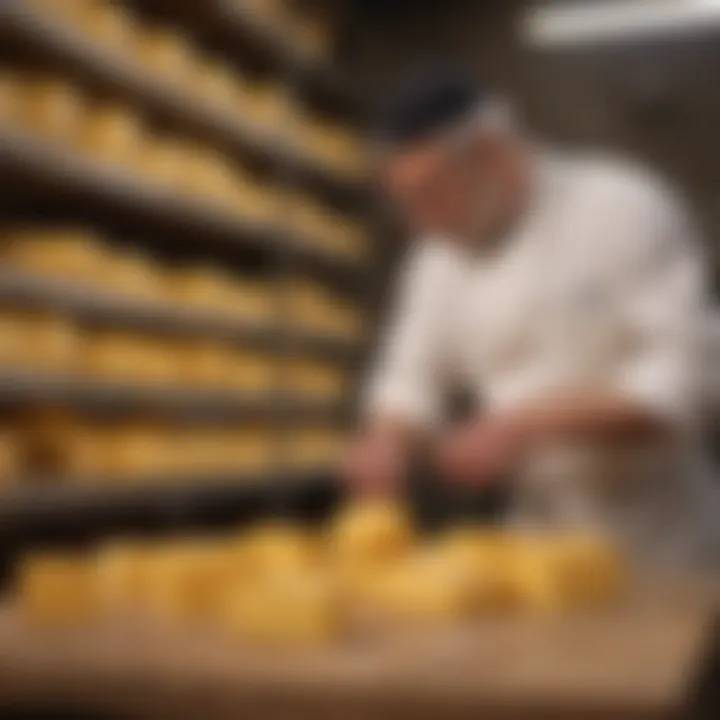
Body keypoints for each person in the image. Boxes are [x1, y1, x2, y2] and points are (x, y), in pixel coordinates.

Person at [345, 70, 720, 568]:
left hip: (658, 541)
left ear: (493, 155)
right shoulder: (438, 256)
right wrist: (385, 440)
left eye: (431, 192)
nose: (420, 220)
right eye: (405, 202)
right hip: (537, 540)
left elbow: (688, 381)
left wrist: (524, 424)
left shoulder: (621, 207)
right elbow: (411, 372)